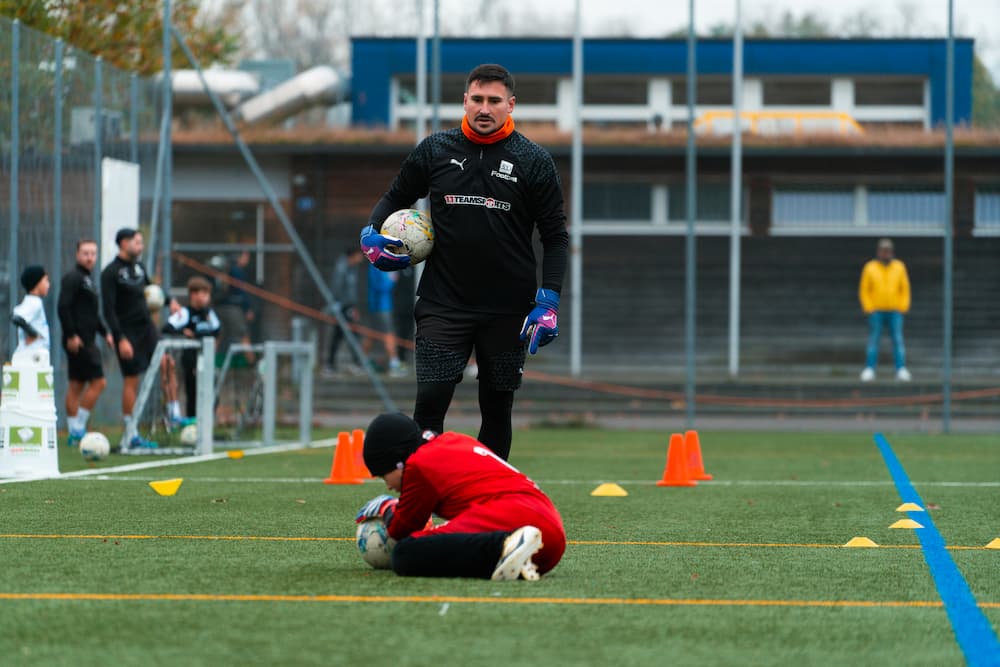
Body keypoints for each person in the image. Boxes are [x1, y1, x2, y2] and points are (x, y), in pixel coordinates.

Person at [360, 63, 568, 460]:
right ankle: (426, 498)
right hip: (444, 302)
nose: (484, 109)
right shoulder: (436, 149)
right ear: (465, 101)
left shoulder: (534, 160)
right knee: (431, 401)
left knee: (496, 407)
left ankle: (486, 502)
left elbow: (556, 238)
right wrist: (370, 232)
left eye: (494, 101)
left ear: (511, 105)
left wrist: (549, 301)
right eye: (477, 100)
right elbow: (394, 197)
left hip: (509, 308)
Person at [355, 412, 565, 580]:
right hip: (551, 537)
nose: (389, 486)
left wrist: (387, 508)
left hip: (517, 520)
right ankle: (508, 552)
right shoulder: (455, 440)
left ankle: (504, 545)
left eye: (384, 476)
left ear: (397, 461)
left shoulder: (417, 465)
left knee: (404, 553)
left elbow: (401, 530)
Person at [100, 228, 159, 449]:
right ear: (124, 243)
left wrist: (169, 300)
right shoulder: (110, 273)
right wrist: (120, 338)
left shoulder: (140, 268)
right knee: (131, 379)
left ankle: (174, 414)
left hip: (148, 328)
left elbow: (152, 290)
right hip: (127, 333)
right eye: (137, 242)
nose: (140, 246)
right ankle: (131, 433)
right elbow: (108, 310)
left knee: (167, 361)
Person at [58, 240, 114, 446]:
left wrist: (105, 332)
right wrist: (72, 335)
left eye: (93, 253)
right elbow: (63, 307)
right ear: (77, 255)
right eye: (85, 253)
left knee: (76, 384)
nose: (90, 257)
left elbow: (92, 314)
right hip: (79, 341)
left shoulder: (88, 279)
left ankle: (74, 432)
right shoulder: (73, 278)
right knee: (99, 382)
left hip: (87, 338)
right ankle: (78, 428)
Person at [160, 276, 221, 426]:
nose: (206, 298)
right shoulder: (185, 313)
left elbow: (217, 329)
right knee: (193, 393)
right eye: (203, 293)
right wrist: (184, 332)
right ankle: (193, 426)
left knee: (212, 393)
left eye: (207, 294)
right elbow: (167, 327)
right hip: (191, 360)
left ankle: (207, 425)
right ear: (193, 294)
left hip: (207, 360)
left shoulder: (208, 314)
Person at [859, 238, 912, 382]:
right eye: (883, 251)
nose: (885, 254)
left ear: (891, 252)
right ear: (878, 252)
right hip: (876, 311)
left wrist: (903, 306)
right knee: (874, 339)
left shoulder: (899, 267)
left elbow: (905, 288)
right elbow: (865, 289)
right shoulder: (870, 267)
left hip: (895, 311)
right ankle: (870, 369)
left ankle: (900, 369)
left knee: (897, 339)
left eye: (888, 251)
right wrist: (868, 307)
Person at [324, 247, 365, 377]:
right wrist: (338, 307)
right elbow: (337, 289)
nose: (361, 259)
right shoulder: (341, 268)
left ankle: (335, 364)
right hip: (342, 308)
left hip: (349, 307)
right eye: (359, 255)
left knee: (345, 335)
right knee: (347, 335)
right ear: (352, 255)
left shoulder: (352, 268)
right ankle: (333, 365)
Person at [363, 263, 404, 377]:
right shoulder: (377, 265)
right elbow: (380, 286)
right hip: (381, 306)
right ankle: (394, 363)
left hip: (381, 305)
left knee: (371, 334)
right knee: (389, 334)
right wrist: (392, 279)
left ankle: (361, 361)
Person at [11, 265, 51, 357]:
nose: (48, 284)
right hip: (31, 357)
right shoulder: (34, 302)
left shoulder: (33, 302)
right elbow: (16, 318)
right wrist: (34, 334)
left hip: (34, 356)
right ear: (37, 283)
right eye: (46, 280)